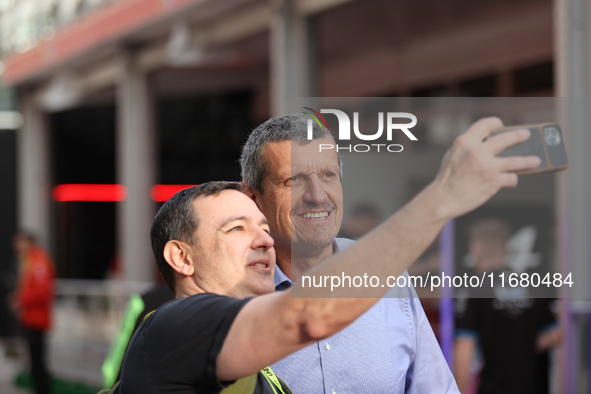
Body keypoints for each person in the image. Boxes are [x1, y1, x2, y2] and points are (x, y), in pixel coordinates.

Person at [118, 116, 540, 393]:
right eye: (237, 228)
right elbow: (308, 316)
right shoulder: (176, 327)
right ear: (182, 257)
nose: (317, 195)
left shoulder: (388, 275)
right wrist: (443, 197)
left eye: (328, 176)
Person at [238, 113, 456, 392]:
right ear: (253, 198)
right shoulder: (231, 292)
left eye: (328, 175)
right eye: (294, 179)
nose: (317, 196)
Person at [453, 218, 561, 394]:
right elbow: (556, 334)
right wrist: (521, 344)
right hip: (533, 387)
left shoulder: (475, 289)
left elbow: (465, 348)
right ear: (507, 251)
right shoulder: (532, 285)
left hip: (493, 388)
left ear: (475, 250)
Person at [10, 231, 55, 394]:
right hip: (30, 317)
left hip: (37, 319)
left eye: (19, 242)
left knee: (38, 361)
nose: (16, 246)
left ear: (28, 242)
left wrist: (21, 301)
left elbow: (42, 292)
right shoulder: (29, 260)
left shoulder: (38, 261)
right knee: (35, 360)